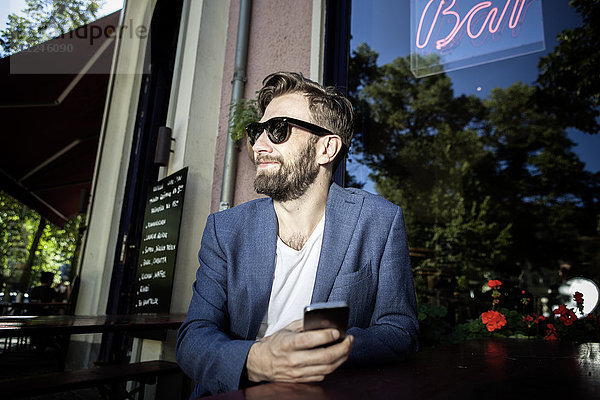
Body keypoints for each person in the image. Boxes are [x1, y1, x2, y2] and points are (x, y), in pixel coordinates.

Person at [176, 72, 418, 396]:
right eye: (256, 131)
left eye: (278, 130)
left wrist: (321, 350)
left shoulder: (378, 221)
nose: (258, 145)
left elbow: (400, 331)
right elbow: (193, 338)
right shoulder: (226, 230)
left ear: (326, 148)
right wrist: (255, 360)